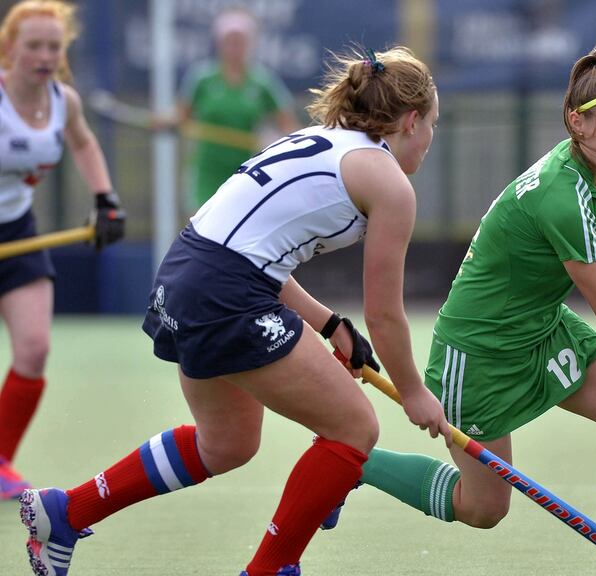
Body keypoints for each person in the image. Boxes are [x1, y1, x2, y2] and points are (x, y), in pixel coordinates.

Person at [20, 45, 451, 576]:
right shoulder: (389, 184)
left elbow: (253, 249)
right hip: (225, 290)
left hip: (186, 271)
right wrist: (412, 392)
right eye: (433, 124)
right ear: (411, 122)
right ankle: (269, 570)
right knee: (353, 428)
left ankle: (66, 512)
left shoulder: (319, 143)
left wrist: (329, 323)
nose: (431, 139)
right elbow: (384, 314)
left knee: (225, 444)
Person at [324, 40, 596, 576]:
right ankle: (352, 466)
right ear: (577, 124)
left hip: (542, 329)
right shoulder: (562, 198)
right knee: (483, 509)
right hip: (479, 354)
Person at [0, 0, 125, 499]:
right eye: (33, 45)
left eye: (54, 46)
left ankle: (1, 460)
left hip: (20, 234)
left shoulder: (63, 101)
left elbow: (84, 142)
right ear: (10, 48)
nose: (44, 55)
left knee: (34, 349)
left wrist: (105, 199)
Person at [176, 6, 298, 211]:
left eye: (240, 42)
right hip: (207, 171)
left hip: (247, 171)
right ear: (219, 44)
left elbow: (288, 125)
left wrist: (281, 141)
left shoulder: (263, 82)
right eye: (229, 42)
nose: (235, 48)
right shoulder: (202, 78)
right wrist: (163, 123)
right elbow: (180, 118)